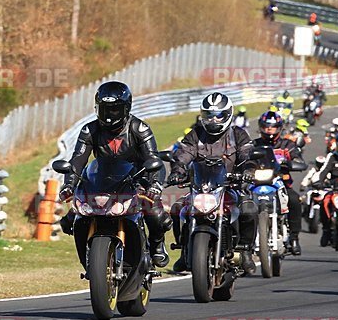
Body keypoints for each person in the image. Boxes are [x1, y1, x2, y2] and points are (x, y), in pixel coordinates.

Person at [58, 81, 171, 267]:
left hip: (136, 180)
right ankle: (91, 256)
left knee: (155, 214)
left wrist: (155, 186)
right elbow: (78, 160)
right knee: (72, 218)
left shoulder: (139, 129)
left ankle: (157, 246)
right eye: (105, 110)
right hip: (100, 182)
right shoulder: (90, 130)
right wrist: (69, 184)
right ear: (97, 108)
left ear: (126, 108)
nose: (109, 115)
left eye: (115, 110)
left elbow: (153, 159)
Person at [168, 92, 258, 273]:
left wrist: (248, 170)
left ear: (228, 115)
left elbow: (247, 155)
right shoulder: (196, 135)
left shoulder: (238, 135)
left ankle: (245, 250)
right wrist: (177, 172)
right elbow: (183, 154)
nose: (214, 120)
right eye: (209, 116)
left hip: (231, 186)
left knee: (249, 209)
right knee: (177, 209)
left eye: (218, 116)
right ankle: (184, 251)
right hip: (200, 187)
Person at [253, 111, 306, 255]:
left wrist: (291, 163)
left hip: (280, 182)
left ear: (279, 128)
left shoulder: (287, 144)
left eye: (273, 127)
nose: (269, 130)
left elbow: (298, 159)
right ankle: (244, 242)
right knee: (243, 205)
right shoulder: (254, 144)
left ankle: (294, 238)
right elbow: (244, 159)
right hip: (257, 183)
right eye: (266, 127)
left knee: (294, 201)